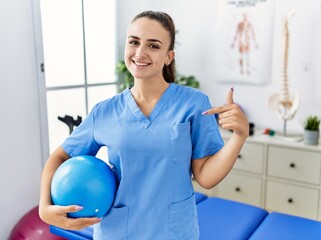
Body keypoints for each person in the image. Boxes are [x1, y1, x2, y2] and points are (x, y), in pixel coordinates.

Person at [39, 10, 249, 239]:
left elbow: (206, 178)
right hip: (119, 232)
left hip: (174, 232)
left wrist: (239, 137)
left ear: (169, 56)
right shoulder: (105, 111)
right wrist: (44, 208)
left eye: (153, 46)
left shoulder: (194, 103)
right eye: (134, 42)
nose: (140, 53)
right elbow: (59, 157)